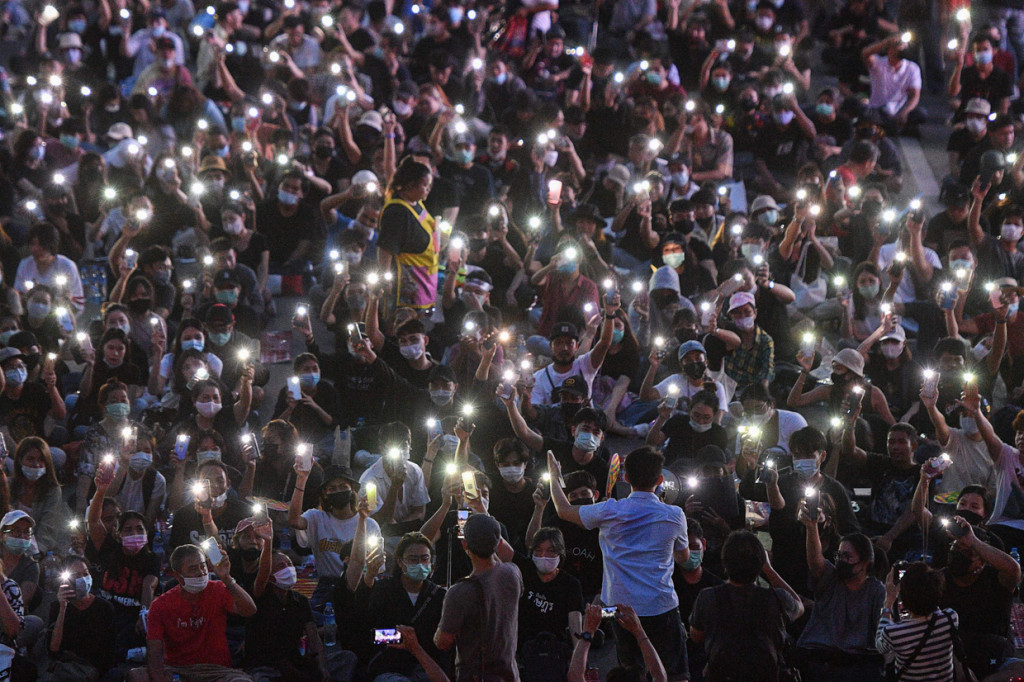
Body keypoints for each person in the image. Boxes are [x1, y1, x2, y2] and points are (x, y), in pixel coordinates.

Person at [548, 447, 690, 680]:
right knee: (674, 675)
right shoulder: (675, 515)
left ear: (625, 477)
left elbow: (563, 510)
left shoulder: (609, 509)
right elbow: (684, 558)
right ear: (660, 480)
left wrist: (554, 477)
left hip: (620, 609)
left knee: (630, 674)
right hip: (661, 606)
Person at [689, 530, 803, 682]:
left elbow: (696, 636)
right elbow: (799, 607)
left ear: (725, 562)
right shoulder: (777, 598)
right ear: (760, 562)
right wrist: (769, 570)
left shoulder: (708, 597)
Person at [134, 543, 257, 682]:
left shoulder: (218, 589)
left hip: (217, 671)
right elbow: (154, 655)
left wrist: (227, 578)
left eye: (203, 566)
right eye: (193, 568)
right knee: (137, 676)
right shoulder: (160, 606)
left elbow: (250, 610)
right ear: (178, 576)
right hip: (178, 671)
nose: (201, 572)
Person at [434, 513, 524, 682]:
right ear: (499, 542)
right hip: (510, 676)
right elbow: (497, 568)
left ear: (464, 544)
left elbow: (443, 642)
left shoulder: (459, 592)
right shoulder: (513, 573)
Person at [875, 562, 958, 682]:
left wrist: (889, 601)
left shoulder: (894, 633)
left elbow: (880, 646)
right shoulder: (951, 618)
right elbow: (933, 611)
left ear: (904, 597)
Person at [47, 554, 116, 679]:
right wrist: (63, 608)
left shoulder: (104, 607)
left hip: (93, 668)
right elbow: (54, 648)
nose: (83, 579)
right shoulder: (57, 607)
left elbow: (110, 652)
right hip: (66, 665)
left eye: (85, 574)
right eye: (76, 576)